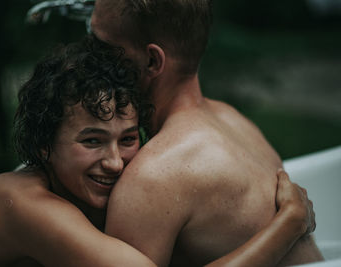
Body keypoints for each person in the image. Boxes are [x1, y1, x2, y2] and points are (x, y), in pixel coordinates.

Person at [0, 35, 315, 267]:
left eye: (128, 138)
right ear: (43, 146)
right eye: (91, 140)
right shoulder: (27, 206)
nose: (116, 162)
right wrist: (287, 225)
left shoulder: (68, 184)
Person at [90, 0, 324, 266]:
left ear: (152, 61)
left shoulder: (152, 178)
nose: (90, 56)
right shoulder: (236, 121)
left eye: (102, 47)